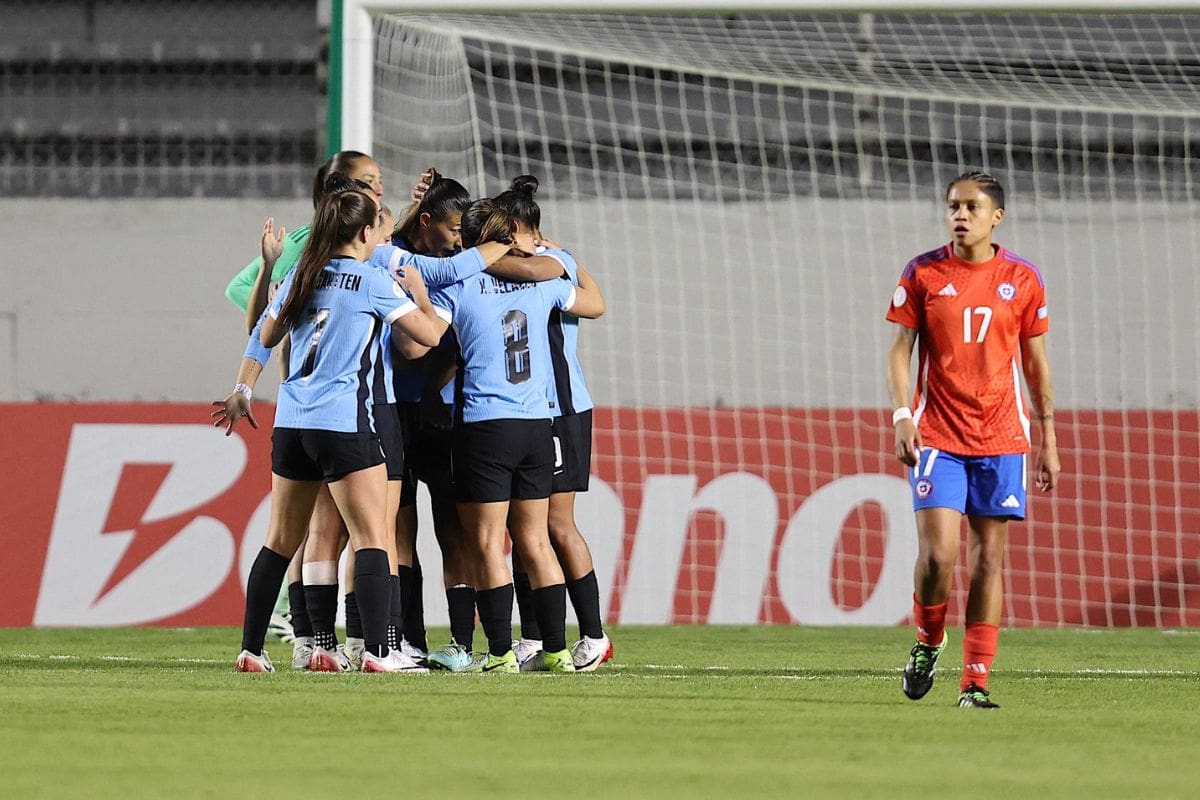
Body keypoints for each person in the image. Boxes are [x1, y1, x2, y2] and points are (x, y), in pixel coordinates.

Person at [231, 187, 444, 673]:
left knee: (280, 540)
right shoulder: (372, 281)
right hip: (346, 423)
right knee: (373, 537)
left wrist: (241, 390)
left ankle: (251, 648)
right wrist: (422, 297)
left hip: (292, 424)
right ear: (367, 232)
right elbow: (430, 337)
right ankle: (380, 651)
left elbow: (261, 337)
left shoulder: (300, 277)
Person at [885, 171, 1061, 708]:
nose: (960, 215)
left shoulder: (1023, 279)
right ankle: (927, 641)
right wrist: (901, 415)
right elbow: (900, 351)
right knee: (939, 556)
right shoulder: (923, 271)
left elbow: (1035, 364)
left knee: (989, 560)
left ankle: (975, 681)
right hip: (937, 431)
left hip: (1003, 437)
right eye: (953, 206)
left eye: (971, 207)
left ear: (996, 217)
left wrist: (1047, 437)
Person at [415, 200, 605, 673]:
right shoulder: (544, 285)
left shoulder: (459, 285)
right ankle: (557, 651)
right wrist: (560, 256)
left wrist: (419, 292)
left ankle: (499, 653)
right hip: (538, 427)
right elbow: (592, 302)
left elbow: (421, 340)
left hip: (486, 426)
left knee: (485, 543)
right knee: (535, 541)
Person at [491, 176, 613, 672]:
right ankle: (538, 638)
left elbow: (595, 304)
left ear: (516, 227)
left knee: (554, 526)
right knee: (526, 530)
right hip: (531, 411)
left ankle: (593, 635)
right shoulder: (539, 261)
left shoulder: (545, 265)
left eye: (499, 229)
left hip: (560, 409)